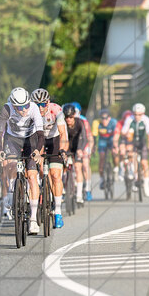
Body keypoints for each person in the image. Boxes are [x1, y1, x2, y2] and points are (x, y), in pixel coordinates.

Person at [0, 87, 43, 234]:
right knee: (11, 164)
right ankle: (11, 192)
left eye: (26, 105)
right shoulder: (7, 109)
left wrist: (37, 151)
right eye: (20, 107)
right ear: (13, 105)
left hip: (30, 139)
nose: (24, 109)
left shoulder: (33, 108)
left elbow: (41, 134)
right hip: (13, 139)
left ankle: (33, 219)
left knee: (32, 176)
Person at [32, 88, 68, 228]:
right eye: (37, 104)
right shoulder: (31, 111)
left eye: (43, 104)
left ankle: (58, 212)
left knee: (55, 175)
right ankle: (42, 193)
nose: (40, 108)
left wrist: (63, 150)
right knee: (40, 170)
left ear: (48, 102)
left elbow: (63, 134)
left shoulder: (55, 110)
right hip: (38, 140)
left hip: (54, 139)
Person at [121, 102, 149, 197]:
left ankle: (146, 185)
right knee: (133, 158)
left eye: (139, 114)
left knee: (144, 163)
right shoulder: (129, 119)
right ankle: (135, 178)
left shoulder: (146, 120)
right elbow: (123, 133)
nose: (137, 116)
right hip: (131, 142)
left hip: (142, 142)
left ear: (143, 114)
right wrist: (126, 134)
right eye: (135, 114)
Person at [63, 103, 87, 204]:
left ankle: (79, 195)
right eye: (66, 117)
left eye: (70, 117)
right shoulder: (62, 124)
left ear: (74, 116)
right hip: (67, 147)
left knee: (77, 168)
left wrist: (80, 149)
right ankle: (64, 188)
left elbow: (84, 138)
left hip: (77, 147)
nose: (68, 119)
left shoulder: (80, 123)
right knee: (63, 168)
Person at [70, 102, 93, 203]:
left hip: (85, 143)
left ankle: (87, 188)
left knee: (85, 164)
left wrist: (89, 150)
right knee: (75, 166)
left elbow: (88, 136)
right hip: (73, 144)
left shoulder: (83, 120)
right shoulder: (68, 119)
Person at [94, 108, 117, 191]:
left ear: (109, 118)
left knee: (114, 153)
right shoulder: (97, 123)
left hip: (112, 139)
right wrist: (94, 146)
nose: (104, 120)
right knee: (102, 157)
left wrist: (115, 146)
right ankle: (102, 179)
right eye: (102, 118)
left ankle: (116, 168)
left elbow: (116, 135)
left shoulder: (113, 122)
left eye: (106, 118)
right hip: (102, 140)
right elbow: (94, 135)